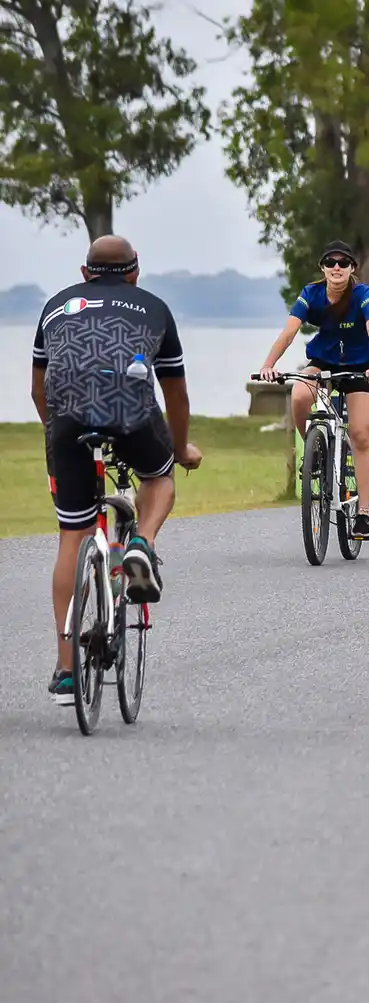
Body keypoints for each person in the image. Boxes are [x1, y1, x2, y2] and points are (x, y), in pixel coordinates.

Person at [31, 236, 203, 705]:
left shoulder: (54, 307)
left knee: (73, 533)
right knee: (159, 477)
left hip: (66, 422)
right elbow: (176, 395)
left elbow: (39, 390)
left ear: (84, 274)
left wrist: (61, 437)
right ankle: (142, 545)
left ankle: (66, 672)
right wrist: (180, 445)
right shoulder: (154, 308)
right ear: (135, 273)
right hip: (130, 414)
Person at [258, 240, 369, 540]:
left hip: (362, 366)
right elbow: (290, 331)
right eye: (330, 262)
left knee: (361, 434)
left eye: (344, 263)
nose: (337, 268)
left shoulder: (363, 294)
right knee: (301, 394)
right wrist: (268, 364)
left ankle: (364, 514)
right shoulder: (311, 293)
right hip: (324, 361)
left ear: (352, 268)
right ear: (322, 268)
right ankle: (314, 450)